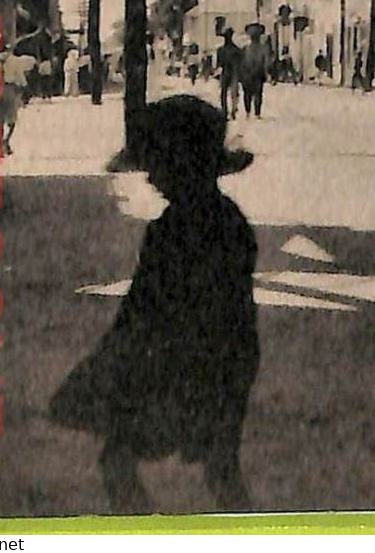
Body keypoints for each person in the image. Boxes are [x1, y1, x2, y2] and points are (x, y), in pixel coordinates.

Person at [50, 95, 258, 514]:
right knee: (221, 470)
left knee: (118, 459)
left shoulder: (169, 232)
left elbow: (143, 308)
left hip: (178, 366)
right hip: (230, 362)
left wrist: (106, 363)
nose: (149, 177)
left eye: (156, 165)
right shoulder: (233, 220)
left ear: (179, 165)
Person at [238, 24, 273, 118]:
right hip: (254, 72)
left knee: (250, 94)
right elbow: (266, 61)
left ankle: (251, 112)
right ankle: (254, 113)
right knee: (255, 93)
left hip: (253, 73)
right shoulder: (261, 48)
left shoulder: (247, 48)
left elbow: (266, 61)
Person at [215, 30, 242, 120]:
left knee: (225, 93)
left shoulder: (221, 50)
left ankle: (226, 111)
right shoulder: (236, 50)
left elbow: (218, 64)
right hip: (233, 72)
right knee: (233, 93)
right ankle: (231, 110)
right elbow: (240, 62)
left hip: (226, 72)